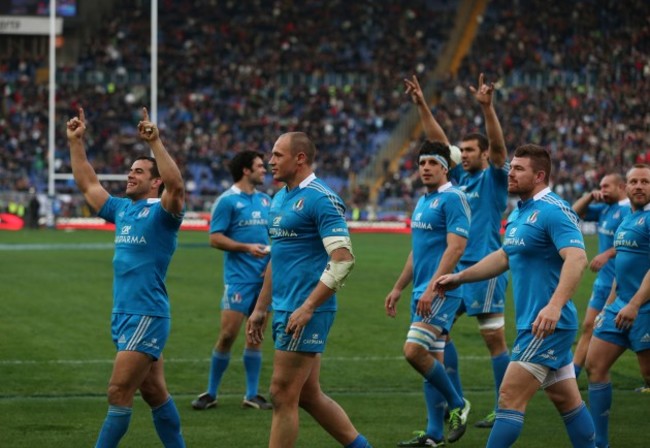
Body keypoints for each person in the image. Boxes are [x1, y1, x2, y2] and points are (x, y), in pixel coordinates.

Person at [433, 144, 595, 448]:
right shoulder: (522, 213)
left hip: (545, 326)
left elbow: (577, 259)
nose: (511, 173)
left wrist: (554, 306)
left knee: (508, 396)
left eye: (519, 168)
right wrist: (460, 277)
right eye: (512, 167)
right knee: (567, 401)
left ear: (539, 175)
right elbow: (506, 256)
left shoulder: (554, 210)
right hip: (535, 323)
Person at [67, 107, 186, 448]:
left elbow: (176, 186)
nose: (129, 176)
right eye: (129, 171)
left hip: (146, 314)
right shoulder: (122, 209)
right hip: (124, 314)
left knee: (118, 391)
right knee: (153, 391)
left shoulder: (164, 214)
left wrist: (156, 143)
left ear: (155, 180)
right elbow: (89, 184)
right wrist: (76, 143)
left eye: (138, 172)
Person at [246, 132, 371, 448]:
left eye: (277, 155)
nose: (270, 161)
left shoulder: (320, 197)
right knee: (308, 395)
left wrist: (309, 306)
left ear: (299, 158)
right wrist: (261, 308)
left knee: (281, 393)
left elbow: (342, 261)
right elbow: (279, 257)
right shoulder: (279, 198)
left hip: (306, 310)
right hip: (285, 307)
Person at [404, 73, 510, 429]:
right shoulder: (457, 180)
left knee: (493, 338)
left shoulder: (494, 178)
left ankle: (502, 407)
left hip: (486, 267)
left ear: (483, 155)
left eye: (469, 151)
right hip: (453, 270)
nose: (462, 155)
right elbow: (437, 142)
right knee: (437, 335)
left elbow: (498, 147)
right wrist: (421, 105)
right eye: (460, 151)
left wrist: (487, 108)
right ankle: (454, 402)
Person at [385, 140, 472, 447]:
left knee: (413, 352)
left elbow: (457, 246)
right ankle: (434, 434)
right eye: (421, 163)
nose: (425, 168)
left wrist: (434, 288)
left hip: (442, 291)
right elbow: (417, 251)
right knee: (430, 362)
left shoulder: (453, 197)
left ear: (445, 167)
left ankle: (458, 403)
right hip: (422, 291)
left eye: (432, 163)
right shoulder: (424, 201)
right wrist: (398, 287)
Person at [191, 150, 273, 411]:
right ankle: (211, 392)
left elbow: (276, 238)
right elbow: (215, 238)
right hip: (239, 281)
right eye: (260, 166)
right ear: (246, 170)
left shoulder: (266, 201)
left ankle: (251, 394)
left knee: (256, 336)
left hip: (264, 281)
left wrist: (271, 264)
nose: (265, 170)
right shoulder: (226, 201)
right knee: (227, 335)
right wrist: (246, 247)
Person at [585, 164, 650, 448]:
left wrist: (635, 304)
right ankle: (600, 443)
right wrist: (607, 308)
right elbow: (621, 269)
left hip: (644, 308)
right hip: (619, 306)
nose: (638, 186)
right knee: (594, 365)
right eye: (634, 181)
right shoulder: (628, 219)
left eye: (645, 182)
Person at [571, 174, 630, 378]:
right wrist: (589, 197)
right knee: (588, 326)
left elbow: (632, 241)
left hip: (623, 284)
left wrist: (607, 254)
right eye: (600, 186)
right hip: (603, 282)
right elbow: (573, 212)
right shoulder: (605, 208)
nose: (602, 190)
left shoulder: (628, 210)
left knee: (631, 333)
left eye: (606, 187)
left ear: (621, 187)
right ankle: (572, 375)